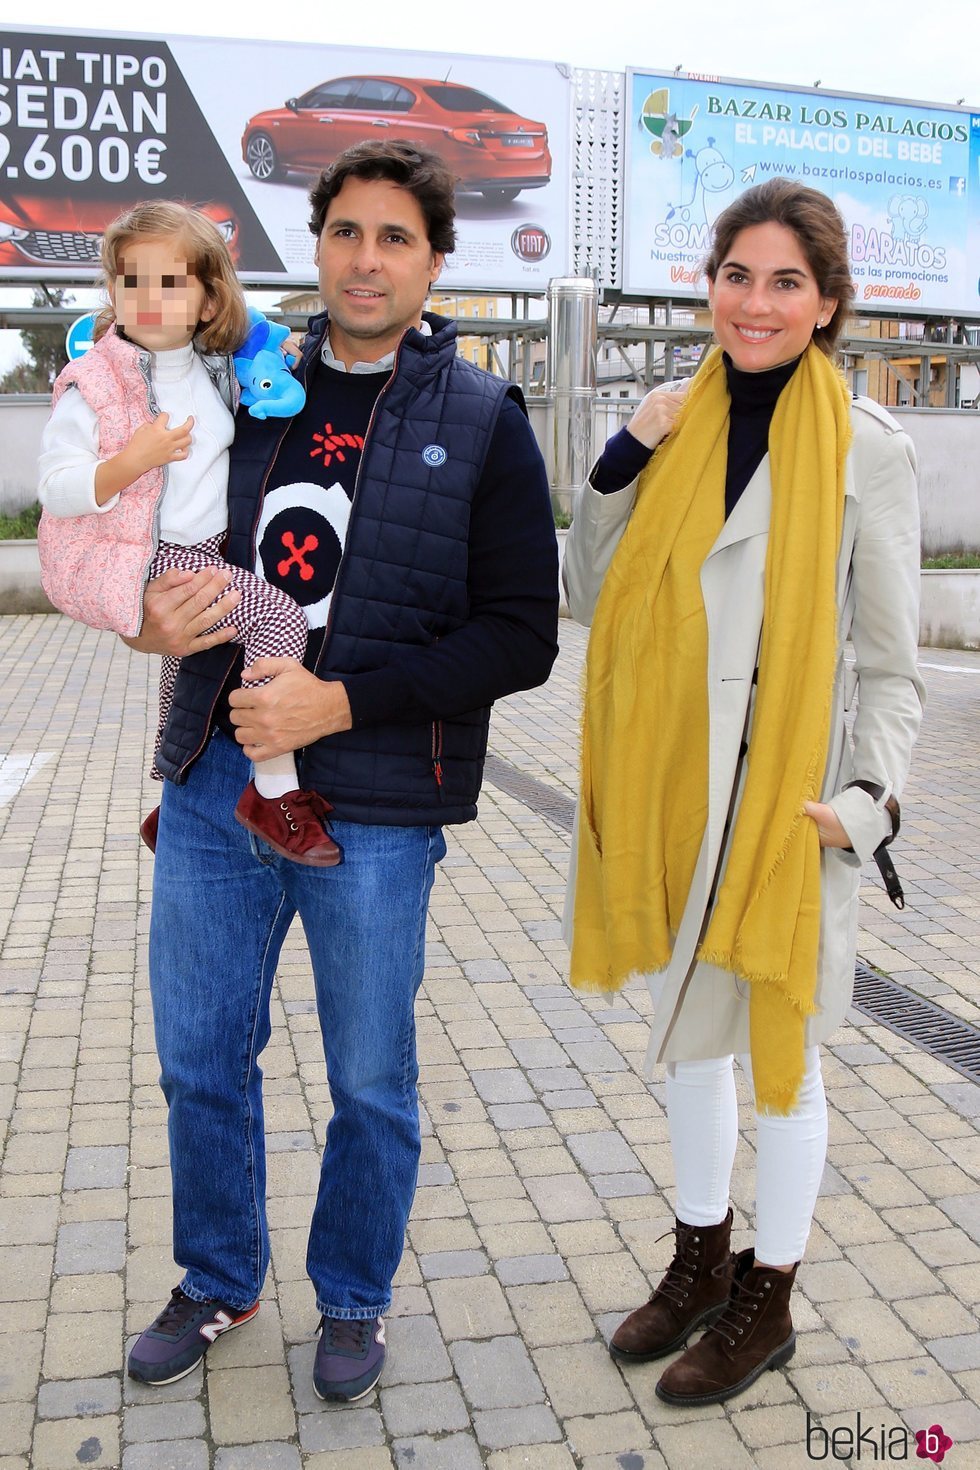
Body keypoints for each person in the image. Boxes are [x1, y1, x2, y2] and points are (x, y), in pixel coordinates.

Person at [119, 140, 559, 1399]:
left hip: (373, 807)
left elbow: (521, 634)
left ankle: (354, 1297)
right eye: (347, 233)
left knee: (370, 1077)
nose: (367, 260)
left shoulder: (481, 422)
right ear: (314, 246)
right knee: (201, 1056)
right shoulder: (234, 388)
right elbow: (152, 533)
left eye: (396, 239)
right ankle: (218, 1279)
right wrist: (144, 614)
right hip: (214, 785)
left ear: (432, 261)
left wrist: (338, 701)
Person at [564, 178, 923, 1407]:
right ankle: (699, 1259)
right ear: (706, 284)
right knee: (688, 1047)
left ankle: (767, 1298)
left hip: (783, 808)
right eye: (734, 274)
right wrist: (625, 449)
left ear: (825, 305)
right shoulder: (675, 426)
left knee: (780, 1057)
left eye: (783, 282)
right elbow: (587, 593)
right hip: (678, 789)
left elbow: (890, 664)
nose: (753, 302)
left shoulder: (867, 454)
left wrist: (862, 803)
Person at [37, 201, 340, 866]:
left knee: (185, 674)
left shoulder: (212, 368)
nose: (149, 298)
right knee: (281, 623)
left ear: (207, 300)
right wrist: (129, 463)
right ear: (112, 290)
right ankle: (274, 789)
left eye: (171, 283)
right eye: (132, 280)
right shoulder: (95, 384)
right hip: (157, 554)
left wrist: (278, 351)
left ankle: (172, 803)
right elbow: (55, 488)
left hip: (208, 550)